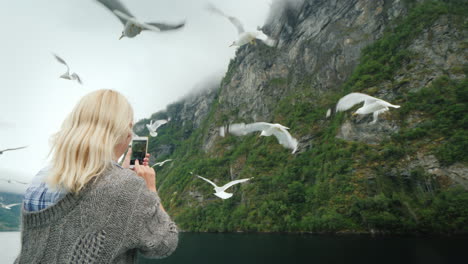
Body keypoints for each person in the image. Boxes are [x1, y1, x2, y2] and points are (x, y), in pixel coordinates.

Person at [15, 89, 178, 263]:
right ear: (126, 131)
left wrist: (120, 172)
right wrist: (149, 188)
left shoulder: (42, 176)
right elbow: (164, 243)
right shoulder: (126, 186)